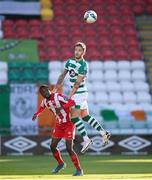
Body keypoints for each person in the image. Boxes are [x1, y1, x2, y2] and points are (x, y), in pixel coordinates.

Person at [53, 42, 111, 153]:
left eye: (80, 50)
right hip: (79, 93)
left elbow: (77, 84)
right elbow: (62, 75)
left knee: (74, 118)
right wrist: (56, 88)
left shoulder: (84, 65)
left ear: (83, 52)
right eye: (76, 50)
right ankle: (104, 133)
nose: (77, 52)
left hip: (79, 92)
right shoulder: (69, 62)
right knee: (85, 117)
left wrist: (69, 97)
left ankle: (86, 139)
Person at [32, 85, 83, 176]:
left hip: (69, 123)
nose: (45, 93)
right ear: (42, 95)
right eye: (42, 93)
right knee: (52, 146)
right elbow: (42, 107)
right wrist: (37, 114)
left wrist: (62, 108)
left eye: (45, 90)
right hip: (59, 124)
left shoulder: (58, 96)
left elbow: (72, 102)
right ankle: (61, 163)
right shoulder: (45, 101)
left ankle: (79, 170)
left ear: (49, 90)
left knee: (68, 147)